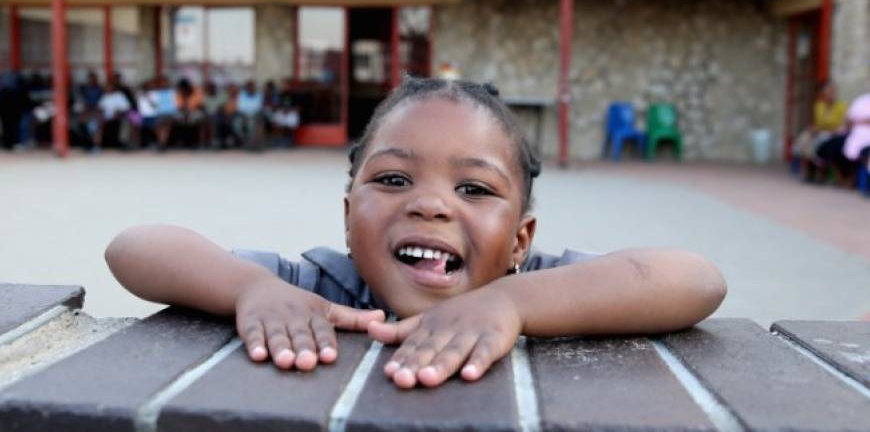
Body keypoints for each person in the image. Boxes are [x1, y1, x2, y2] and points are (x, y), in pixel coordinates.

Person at [105, 77, 727, 390]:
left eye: (474, 189)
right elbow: (133, 247)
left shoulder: (539, 286)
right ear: (349, 218)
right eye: (396, 179)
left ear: (519, 241)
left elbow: (697, 280)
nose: (430, 205)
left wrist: (511, 304)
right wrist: (249, 290)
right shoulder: (318, 291)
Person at [793, 81, 847, 183]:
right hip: (820, 131)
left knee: (818, 142)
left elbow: (842, 126)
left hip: (833, 133)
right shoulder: (819, 105)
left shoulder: (842, 106)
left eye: (832, 92)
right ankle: (807, 170)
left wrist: (824, 129)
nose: (830, 95)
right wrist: (813, 129)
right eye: (827, 93)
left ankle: (819, 173)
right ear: (823, 94)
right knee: (804, 139)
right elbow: (818, 123)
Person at [816, 91, 870, 186]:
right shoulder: (861, 100)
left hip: (865, 137)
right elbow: (849, 119)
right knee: (829, 147)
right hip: (854, 134)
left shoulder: (840, 105)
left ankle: (852, 179)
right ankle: (842, 178)